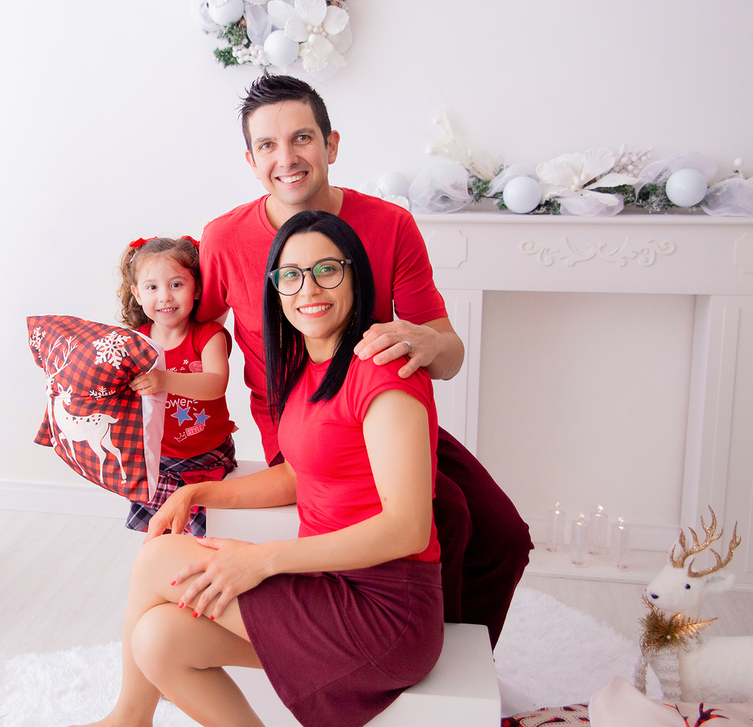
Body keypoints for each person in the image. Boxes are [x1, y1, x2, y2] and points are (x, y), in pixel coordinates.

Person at [194, 74, 531, 646]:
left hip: (378, 417)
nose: (288, 158)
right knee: (446, 513)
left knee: (504, 535)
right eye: (269, 146)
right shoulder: (223, 240)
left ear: (332, 145)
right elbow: (191, 328)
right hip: (299, 431)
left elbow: (449, 356)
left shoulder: (390, 225)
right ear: (250, 161)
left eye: (302, 138)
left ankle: (463, 672)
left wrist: (427, 342)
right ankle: (411, 657)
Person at [76, 212, 443, 727]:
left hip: (383, 611)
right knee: (159, 640)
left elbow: (408, 528)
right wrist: (197, 493)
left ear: (356, 276)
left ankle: (128, 721)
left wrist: (264, 559)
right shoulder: (307, 369)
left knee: (159, 560)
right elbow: (298, 476)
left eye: (327, 270)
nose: (307, 287)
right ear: (274, 289)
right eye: (290, 275)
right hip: (327, 585)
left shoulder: (382, 373)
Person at [118, 236, 238, 536]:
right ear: (137, 293)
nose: (165, 297)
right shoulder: (137, 341)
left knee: (204, 537)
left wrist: (164, 380)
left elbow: (215, 384)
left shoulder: (210, 336)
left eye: (176, 284)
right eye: (152, 287)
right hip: (157, 459)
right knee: (160, 537)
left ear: (196, 288)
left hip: (207, 457)